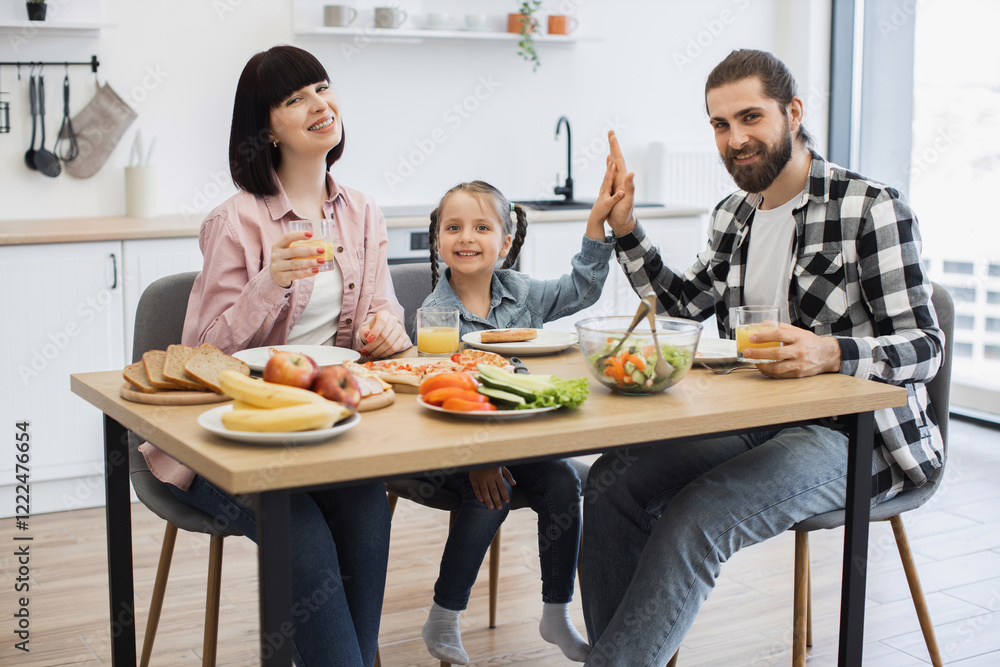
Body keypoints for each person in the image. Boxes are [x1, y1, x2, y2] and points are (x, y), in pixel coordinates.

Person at [579, 49, 945, 666]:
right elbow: (681, 307)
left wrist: (830, 352)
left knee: (697, 517)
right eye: (720, 124)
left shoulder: (869, 205)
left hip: (855, 435)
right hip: (758, 419)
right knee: (612, 483)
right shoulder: (734, 215)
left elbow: (925, 347)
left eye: (751, 117)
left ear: (793, 113)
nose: (735, 139)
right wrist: (626, 227)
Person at [138, 45, 410, 667]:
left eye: (322, 87)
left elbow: (386, 309)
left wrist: (387, 330)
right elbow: (202, 355)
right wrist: (270, 282)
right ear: (266, 130)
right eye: (295, 99)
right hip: (227, 439)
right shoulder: (235, 221)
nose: (320, 104)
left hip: (325, 426)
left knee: (367, 508)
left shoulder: (363, 211)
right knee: (301, 532)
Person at [417, 173, 625, 664]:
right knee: (491, 494)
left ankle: (556, 613)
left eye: (481, 228)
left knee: (562, 480)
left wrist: (596, 225)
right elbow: (443, 397)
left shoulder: (522, 293)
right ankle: (444, 615)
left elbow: (581, 289)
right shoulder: (435, 313)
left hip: (519, 443)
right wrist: (483, 458)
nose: (466, 238)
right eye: (453, 227)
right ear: (438, 240)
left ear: (506, 242)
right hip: (458, 447)